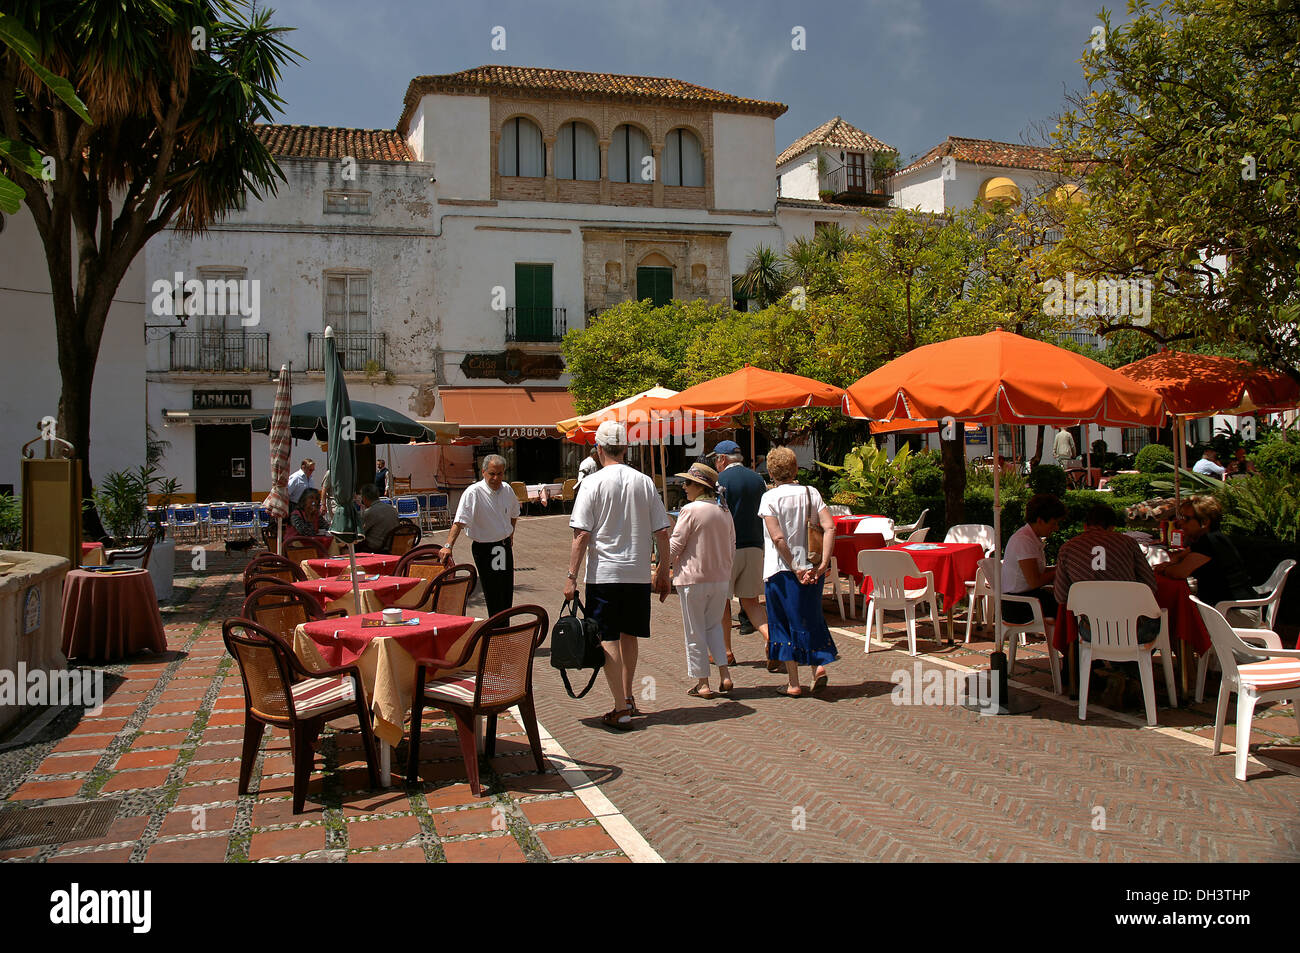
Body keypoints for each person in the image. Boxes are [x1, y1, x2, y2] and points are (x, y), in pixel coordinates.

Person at [564, 421, 671, 730]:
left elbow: (581, 534)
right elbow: (662, 532)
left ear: (599, 450)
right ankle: (627, 697)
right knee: (629, 634)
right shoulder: (644, 482)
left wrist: (571, 576)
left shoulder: (593, 483)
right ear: (626, 448)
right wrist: (663, 570)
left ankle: (620, 707)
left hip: (605, 574)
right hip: (637, 573)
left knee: (608, 637)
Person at [759, 446, 837, 697]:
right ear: (794, 468)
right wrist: (824, 563)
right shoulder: (810, 492)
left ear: (772, 472)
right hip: (812, 567)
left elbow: (778, 538)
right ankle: (818, 666)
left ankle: (793, 682)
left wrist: (795, 567)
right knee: (810, 616)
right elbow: (830, 527)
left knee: (782, 623)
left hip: (781, 569)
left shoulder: (769, 498)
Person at [664, 462, 735, 698]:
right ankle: (725, 674)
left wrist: (662, 564)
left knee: (694, 631)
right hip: (720, 577)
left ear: (698, 486)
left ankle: (703, 682)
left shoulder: (690, 510)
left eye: (687, 483)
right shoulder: (724, 510)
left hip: (693, 578)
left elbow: (676, 544)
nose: (683, 487)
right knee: (714, 626)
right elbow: (732, 545)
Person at [1054, 503, 1160, 642]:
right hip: (1134, 630)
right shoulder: (1128, 543)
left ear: (1085, 525)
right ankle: (1131, 659)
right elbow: (1150, 586)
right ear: (1112, 527)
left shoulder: (1067, 548)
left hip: (1091, 631)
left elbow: (1061, 597)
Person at [1156, 495, 1258, 624]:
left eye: (1186, 519)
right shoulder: (1212, 538)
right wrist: (1172, 564)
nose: (1181, 523)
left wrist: (1165, 568)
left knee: (1178, 618)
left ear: (1204, 522)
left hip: (1235, 612)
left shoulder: (1209, 542)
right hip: (1232, 609)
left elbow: (1179, 572)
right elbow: (1179, 557)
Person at [712, 439, 770, 666]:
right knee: (752, 602)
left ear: (723, 459)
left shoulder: (720, 480)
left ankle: (726, 651)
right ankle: (770, 638)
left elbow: (717, 514)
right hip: (755, 545)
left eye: (716, 458)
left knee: (722, 602)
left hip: (728, 549)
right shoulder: (758, 479)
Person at [442, 454, 520, 617]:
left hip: (502, 546)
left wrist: (511, 533)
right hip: (486, 548)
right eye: (492, 473)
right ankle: (496, 628)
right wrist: (448, 545)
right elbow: (460, 521)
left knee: (505, 591)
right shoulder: (474, 492)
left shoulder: (507, 489)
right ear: (483, 472)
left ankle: (503, 627)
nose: (496, 478)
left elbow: (514, 513)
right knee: (493, 592)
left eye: (499, 474)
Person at [1001, 493, 1067, 623]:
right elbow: (1034, 581)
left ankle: (1068, 642)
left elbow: (1038, 573)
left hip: (1026, 598)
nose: (1056, 528)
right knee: (1069, 608)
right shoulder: (1024, 541)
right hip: (1019, 606)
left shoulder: (1030, 538)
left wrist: (1057, 569)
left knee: (1067, 603)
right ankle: (1070, 643)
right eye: (1054, 524)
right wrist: (1060, 571)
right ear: (1040, 521)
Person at [358, 484, 400, 553]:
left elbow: (360, 532)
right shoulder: (392, 509)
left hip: (377, 547)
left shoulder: (370, 512)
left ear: (364, 498)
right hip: (392, 544)